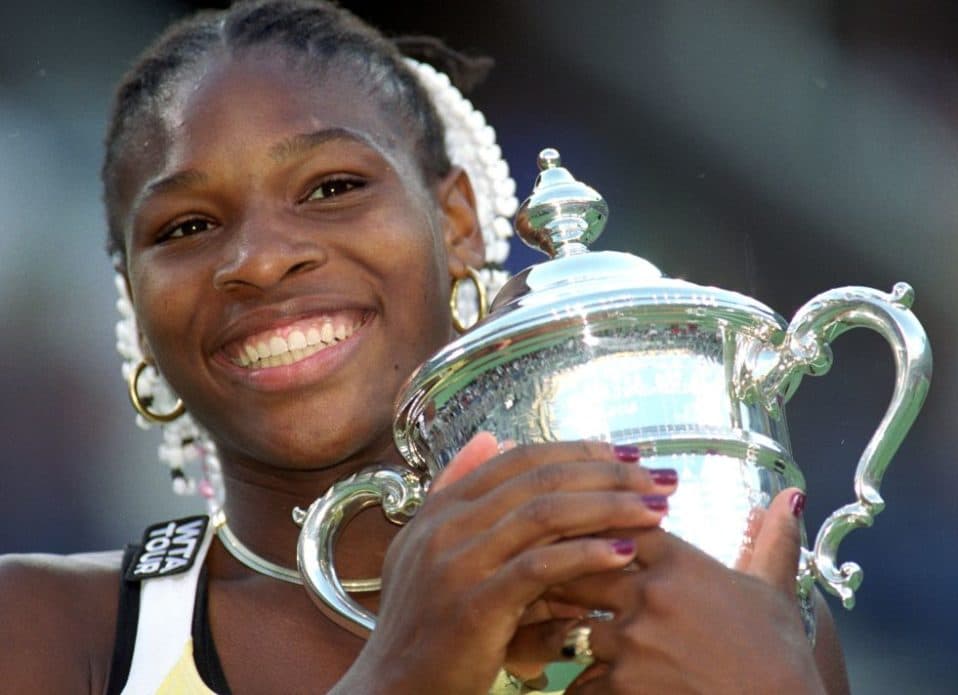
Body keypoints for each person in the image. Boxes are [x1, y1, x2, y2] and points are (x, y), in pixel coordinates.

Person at [0, 1, 849, 692]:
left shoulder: (709, 587)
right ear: (135, 306)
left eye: (333, 187)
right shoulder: (45, 629)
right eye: (186, 226)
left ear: (456, 223)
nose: (257, 258)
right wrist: (404, 671)